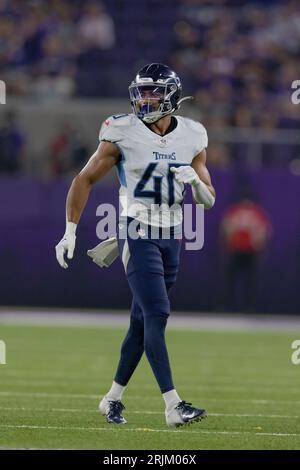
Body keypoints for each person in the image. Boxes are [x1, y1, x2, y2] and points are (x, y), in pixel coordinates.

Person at [55, 63, 216, 427]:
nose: (145, 98)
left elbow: (209, 202)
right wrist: (70, 230)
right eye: (142, 91)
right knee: (157, 313)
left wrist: (196, 184)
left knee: (141, 322)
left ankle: (111, 399)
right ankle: (173, 406)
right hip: (137, 230)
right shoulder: (121, 131)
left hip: (173, 235)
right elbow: (84, 179)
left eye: (153, 91)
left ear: (172, 95)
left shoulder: (193, 134)